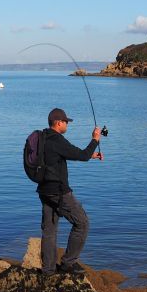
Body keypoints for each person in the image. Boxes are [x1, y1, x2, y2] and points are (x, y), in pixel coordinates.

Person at [38, 107, 103, 275]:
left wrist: (91, 155)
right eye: (66, 122)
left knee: (49, 231)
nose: (67, 124)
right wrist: (95, 140)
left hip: (44, 191)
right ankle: (68, 263)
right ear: (59, 123)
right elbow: (80, 155)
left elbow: (67, 155)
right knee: (82, 223)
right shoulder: (57, 140)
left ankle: (48, 270)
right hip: (59, 192)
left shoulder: (43, 137)